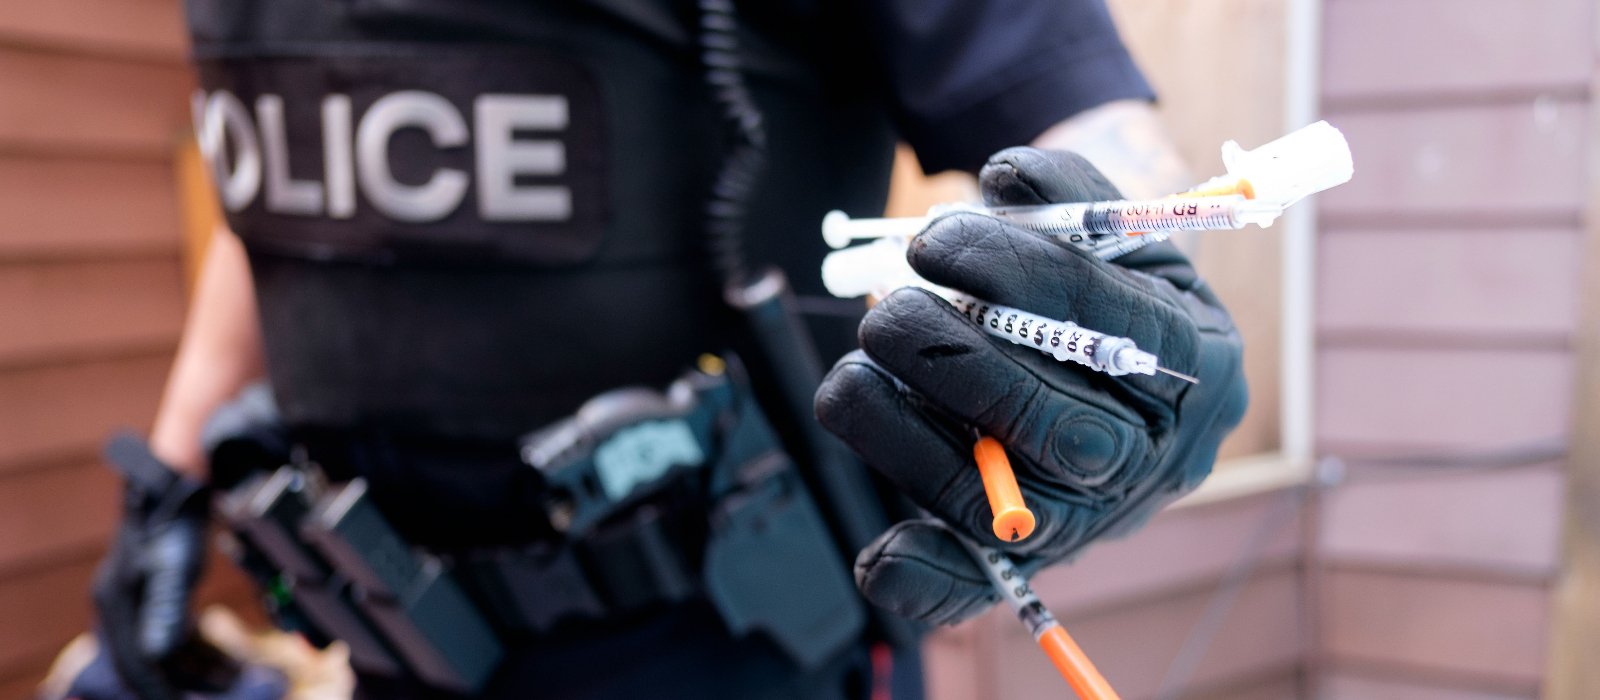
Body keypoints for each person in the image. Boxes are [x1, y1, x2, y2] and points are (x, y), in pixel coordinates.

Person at [91, 0, 1245, 698]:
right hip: (382, 635)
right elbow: (312, 173)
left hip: (730, 642)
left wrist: (1147, 319)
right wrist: (170, 491)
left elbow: (1100, 150)